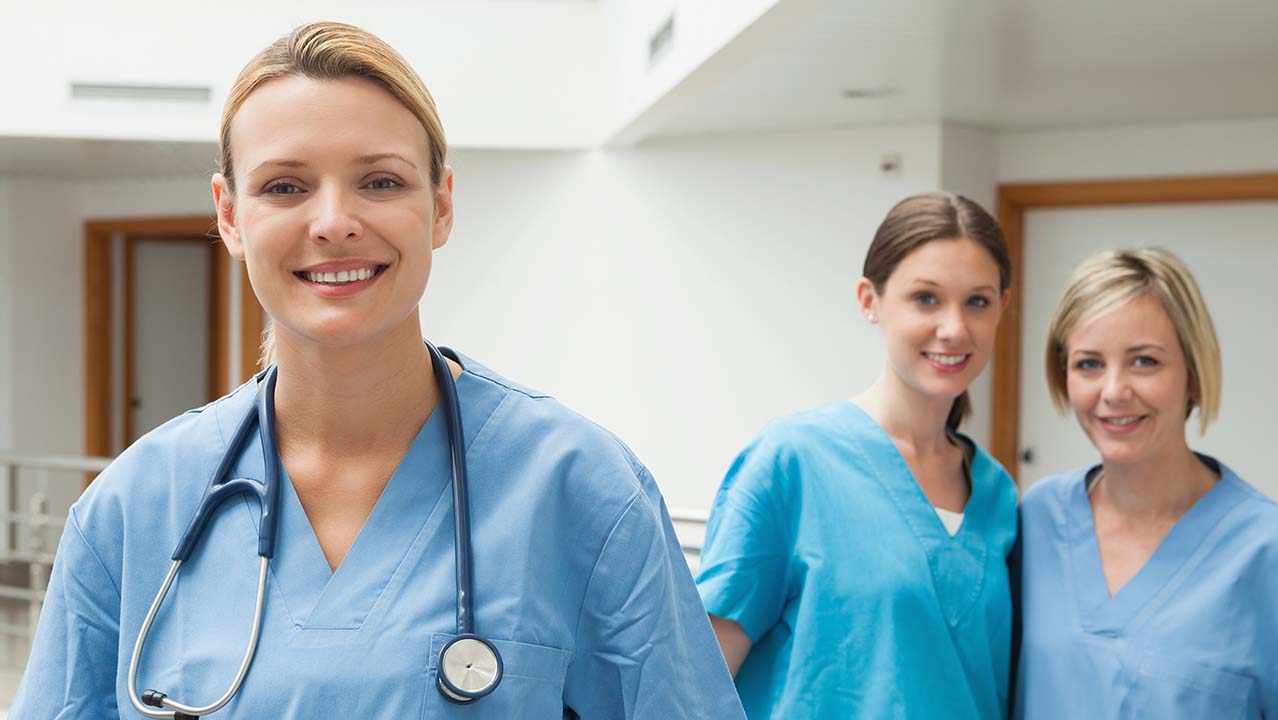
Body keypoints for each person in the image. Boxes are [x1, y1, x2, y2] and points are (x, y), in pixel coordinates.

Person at [12, 22, 743, 719]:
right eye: (285, 187)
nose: (333, 222)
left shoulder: (581, 490)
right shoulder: (134, 510)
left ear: (442, 206)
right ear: (229, 216)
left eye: (382, 182)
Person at [696, 193, 1019, 719]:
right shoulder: (793, 462)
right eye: (926, 299)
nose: (955, 328)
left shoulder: (998, 494)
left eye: (977, 302)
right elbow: (696, 682)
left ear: (1003, 307)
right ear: (870, 300)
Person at [1014, 248, 1278, 719]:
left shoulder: (1264, 550)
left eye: (1144, 362)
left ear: (1194, 375)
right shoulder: (1036, 521)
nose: (1114, 391)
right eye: (1089, 364)